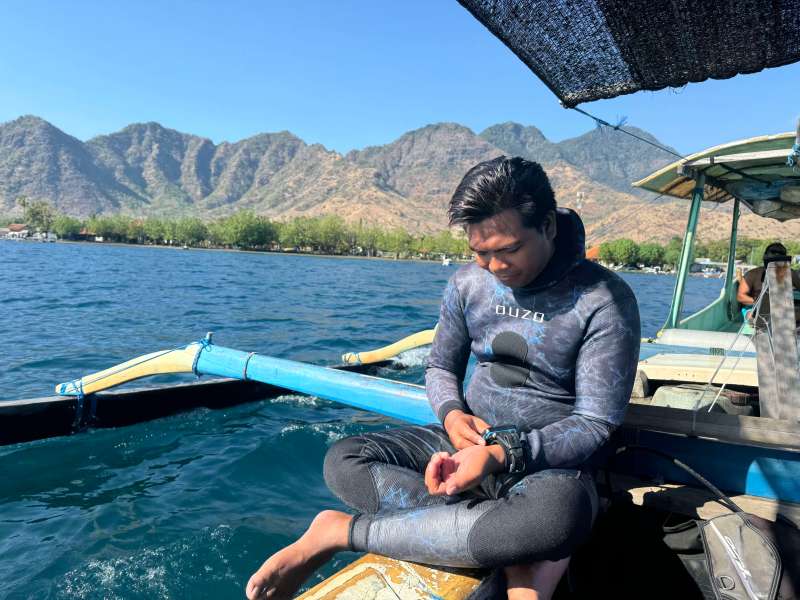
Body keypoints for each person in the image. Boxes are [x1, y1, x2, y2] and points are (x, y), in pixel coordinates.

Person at [245, 157, 641, 600]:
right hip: (461, 443)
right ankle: (505, 543)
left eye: (508, 249)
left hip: (546, 466)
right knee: (344, 459)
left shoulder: (604, 300)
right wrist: (452, 415)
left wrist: (499, 455)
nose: (493, 266)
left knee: (553, 522)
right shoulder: (466, 284)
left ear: (547, 226)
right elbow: (440, 368)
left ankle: (343, 532)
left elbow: (595, 424)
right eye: (480, 251)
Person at [737, 242, 800, 326]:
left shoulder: (790, 274)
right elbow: (741, 297)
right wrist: (758, 302)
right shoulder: (752, 274)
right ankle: (758, 324)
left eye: (778, 259)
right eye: (772, 259)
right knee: (750, 315)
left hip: (781, 309)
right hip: (754, 308)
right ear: (765, 258)